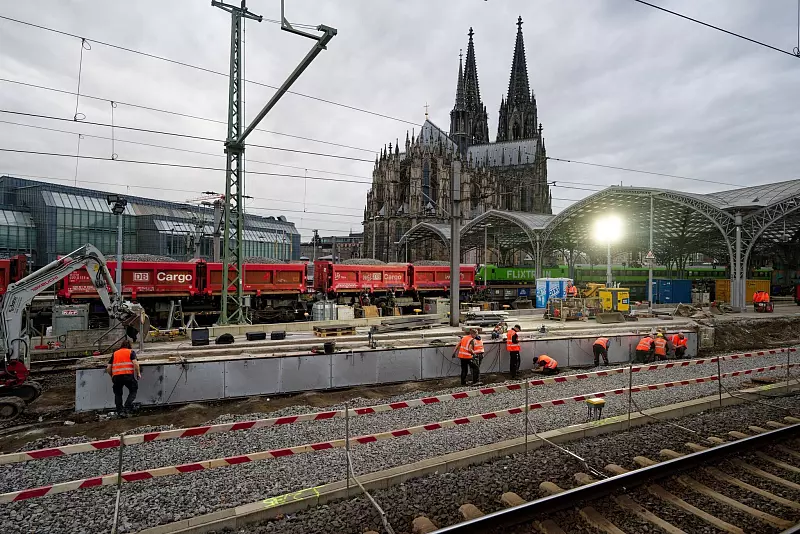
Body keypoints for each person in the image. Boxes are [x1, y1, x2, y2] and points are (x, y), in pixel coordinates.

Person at [106, 339, 141, 418]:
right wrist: (138, 373)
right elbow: (135, 363)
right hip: (128, 376)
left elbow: (108, 367)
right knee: (133, 390)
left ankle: (120, 411)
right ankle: (127, 407)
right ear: (129, 346)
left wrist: (112, 376)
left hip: (116, 377)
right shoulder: (131, 352)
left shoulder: (115, 353)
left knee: (118, 394)